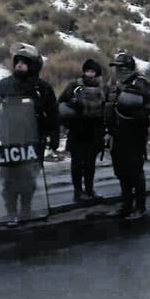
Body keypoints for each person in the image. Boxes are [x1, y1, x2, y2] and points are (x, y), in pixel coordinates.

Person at [0, 44, 59, 225]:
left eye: (24, 62)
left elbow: (52, 113)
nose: (19, 65)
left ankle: (26, 209)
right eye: (17, 62)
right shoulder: (4, 85)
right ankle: (11, 211)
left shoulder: (42, 88)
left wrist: (54, 135)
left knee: (28, 178)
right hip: (9, 138)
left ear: (34, 65)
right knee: (9, 178)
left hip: (34, 139)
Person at [105, 52, 150, 220]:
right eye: (116, 68)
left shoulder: (140, 83)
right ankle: (126, 204)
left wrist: (137, 113)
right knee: (120, 171)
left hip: (134, 134)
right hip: (117, 135)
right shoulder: (114, 85)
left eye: (120, 67)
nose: (118, 71)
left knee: (134, 171)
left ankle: (140, 207)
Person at [58, 59, 106, 202]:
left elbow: (106, 108)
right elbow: (61, 103)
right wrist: (72, 109)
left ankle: (90, 190)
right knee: (77, 163)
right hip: (77, 129)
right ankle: (78, 191)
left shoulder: (102, 88)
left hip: (94, 130)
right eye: (88, 71)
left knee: (90, 163)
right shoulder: (74, 86)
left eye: (93, 72)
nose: (90, 74)